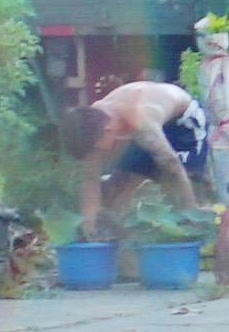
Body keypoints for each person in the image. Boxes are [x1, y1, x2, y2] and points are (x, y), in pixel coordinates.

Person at [80, 68, 210, 243]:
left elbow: (171, 166)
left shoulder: (140, 122)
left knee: (174, 186)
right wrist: (89, 225)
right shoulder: (93, 121)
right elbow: (90, 179)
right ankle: (111, 242)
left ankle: (191, 239)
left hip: (183, 123)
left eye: (98, 149)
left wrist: (188, 212)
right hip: (152, 125)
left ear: (107, 131)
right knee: (116, 187)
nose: (99, 153)